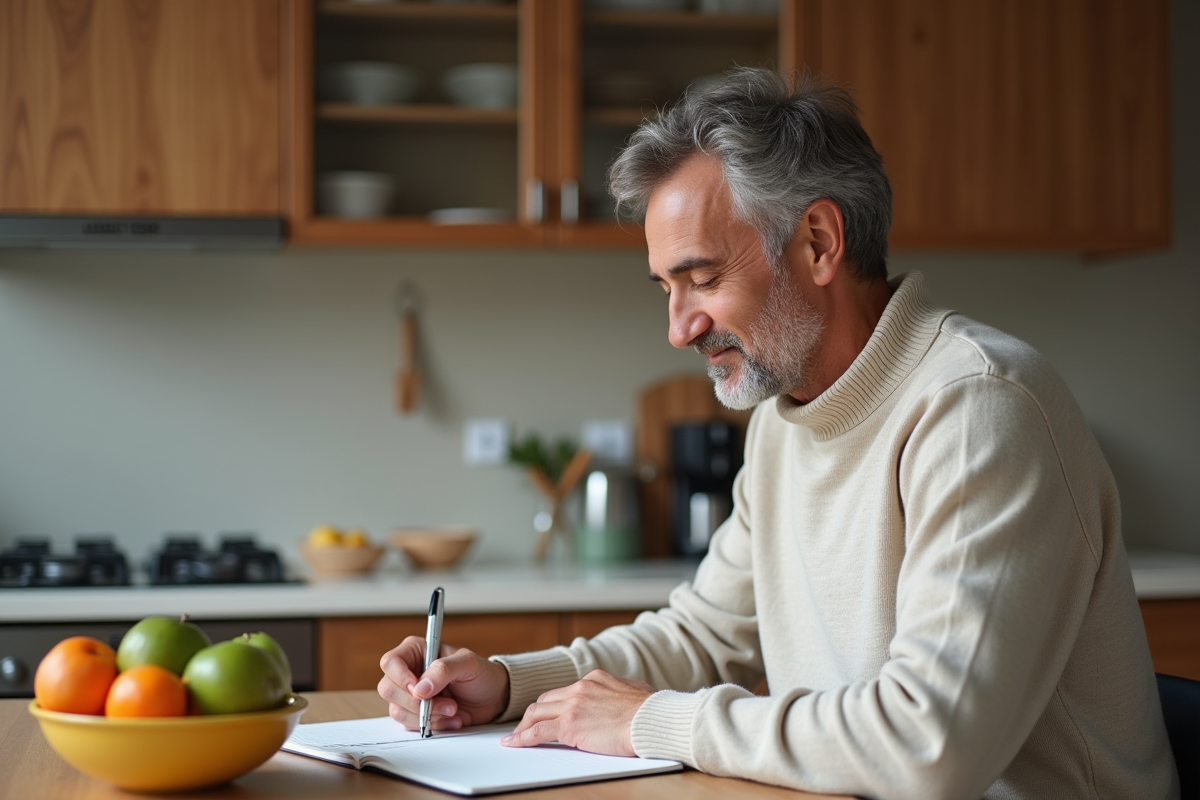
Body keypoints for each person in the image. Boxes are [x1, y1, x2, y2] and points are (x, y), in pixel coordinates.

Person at [379, 68, 1177, 799]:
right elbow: (705, 634)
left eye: (702, 279)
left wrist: (651, 720)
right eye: (665, 287)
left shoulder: (977, 407)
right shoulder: (783, 418)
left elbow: (931, 745)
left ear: (820, 243)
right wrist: (511, 684)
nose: (677, 326)